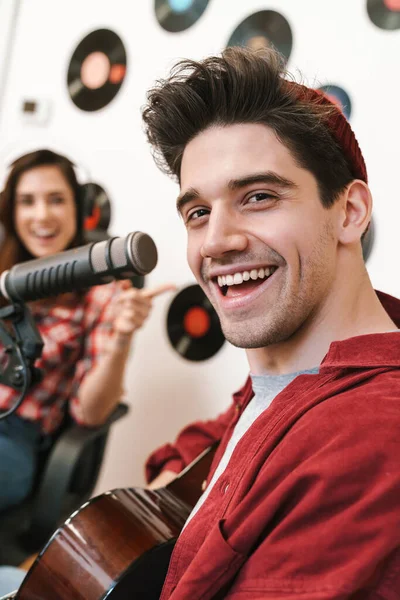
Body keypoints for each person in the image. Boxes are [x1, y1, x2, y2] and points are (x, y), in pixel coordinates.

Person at [141, 47, 400, 598]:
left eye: (258, 197)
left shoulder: (372, 435)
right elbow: (225, 431)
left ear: (350, 212)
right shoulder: (288, 372)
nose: (216, 241)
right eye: (198, 212)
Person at [0, 148, 174, 514]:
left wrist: (121, 339)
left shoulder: (101, 294)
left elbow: (91, 415)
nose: (42, 215)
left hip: (16, 438)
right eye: (27, 201)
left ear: (77, 209)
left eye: (56, 200)